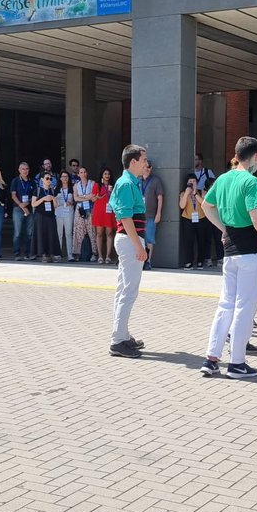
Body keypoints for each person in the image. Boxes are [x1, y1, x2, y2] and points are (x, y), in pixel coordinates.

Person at [197, 137, 257, 379]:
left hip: (230, 250)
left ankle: (211, 358)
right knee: (245, 307)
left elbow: (206, 206)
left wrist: (223, 229)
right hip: (251, 250)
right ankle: (237, 363)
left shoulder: (223, 179)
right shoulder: (251, 182)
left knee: (226, 304)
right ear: (256, 157)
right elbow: (256, 217)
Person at [108, 145, 150, 359]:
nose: (146, 164)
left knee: (123, 289)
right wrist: (139, 246)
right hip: (129, 240)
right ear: (133, 162)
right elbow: (125, 217)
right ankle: (117, 340)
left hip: (128, 240)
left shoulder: (128, 182)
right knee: (128, 291)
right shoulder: (126, 184)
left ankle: (122, 335)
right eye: (143, 160)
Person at [179, 174, 212, 270]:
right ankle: (188, 261)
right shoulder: (183, 193)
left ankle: (200, 261)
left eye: (194, 181)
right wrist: (186, 193)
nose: (192, 183)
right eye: (190, 181)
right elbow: (182, 206)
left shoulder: (201, 192)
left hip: (201, 218)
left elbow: (204, 204)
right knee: (188, 241)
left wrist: (195, 194)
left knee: (201, 240)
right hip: (188, 218)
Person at [139, 160, 165, 270]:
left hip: (150, 215)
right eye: (145, 166)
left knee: (149, 238)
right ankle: (139, 261)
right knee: (138, 239)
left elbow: (160, 198)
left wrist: (158, 213)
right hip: (138, 215)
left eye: (149, 167)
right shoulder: (137, 180)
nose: (147, 169)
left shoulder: (155, 181)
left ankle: (148, 261)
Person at [10, 162, 36, 261]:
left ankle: (27, 253)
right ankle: (17, 253)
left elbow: (34, 196)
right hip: (18, 208)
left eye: (27, 169)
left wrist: (27, 203)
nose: (25, 171)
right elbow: (13, 195)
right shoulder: (15, 181)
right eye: (23, 169)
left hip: (29, 208)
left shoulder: (32, 181)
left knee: (29, 232)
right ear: (19, 170)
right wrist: (21, 205)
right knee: (17, 232)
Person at [33, 172, 60, 263]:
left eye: (50, 179)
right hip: (40, 215)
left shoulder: (52, 190)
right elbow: (33, 204)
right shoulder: (37, 190)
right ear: (42, 179)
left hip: (50, 216)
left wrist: (53, 198)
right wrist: (43, 199)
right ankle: (44, 254)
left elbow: (56, 206)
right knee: (42, 234)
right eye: (47, 178)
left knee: (51, 235)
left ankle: (51, 253)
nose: (49, 180)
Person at [72, 166, 98, 261]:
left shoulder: (92, 183)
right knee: (79, 231)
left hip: (90, 209)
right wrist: (87, 197)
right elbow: (75, 198)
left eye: (84, 172)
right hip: (79, 209)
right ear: (78, 174)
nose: (83, 174)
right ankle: (79, 253)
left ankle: (94, 253)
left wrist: (82, 197)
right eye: (81, 172)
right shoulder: (76, 185)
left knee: (92, 231)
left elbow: (93, 196)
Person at [92, 168, 116, 264]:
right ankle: (100, 256)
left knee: (109, 233)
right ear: (102, 175)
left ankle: (108, 256)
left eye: (108, 174)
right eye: (105, 174)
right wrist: (97, 197)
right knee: (99, 234)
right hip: (99, 212)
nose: (107, 175)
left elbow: (116, 198)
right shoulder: (97, 185)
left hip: (109, 211)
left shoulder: (113, 185)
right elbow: (93, 199)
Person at [55, 171, 76, 261]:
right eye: (63, 176)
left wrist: (72, 202)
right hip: (58, 213)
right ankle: (58, 254)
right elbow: (54, 202)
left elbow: (75, 200)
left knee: (68, 234)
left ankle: (70, 255)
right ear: (60, 178)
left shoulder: (72, 187)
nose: (65, 178)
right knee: (59, 234)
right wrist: (62, 203)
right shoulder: (56, 188)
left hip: (69, 213)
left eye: (66, 176)